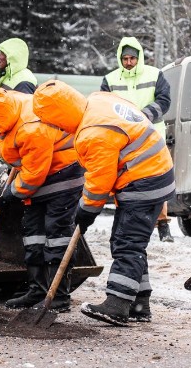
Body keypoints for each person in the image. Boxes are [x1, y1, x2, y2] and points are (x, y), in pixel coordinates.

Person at [32, 80, 175, 325]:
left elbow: (100, 181)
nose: (55, 127)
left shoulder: (93, 132)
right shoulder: (98, 101)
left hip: (143, 179)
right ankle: (139, 304)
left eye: (52, 121)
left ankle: (118, 304)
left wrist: (86, 210)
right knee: (130, 241)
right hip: (152, 173)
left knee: (127, 243)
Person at [0, 87, 84, 312]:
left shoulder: (32, 129)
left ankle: (58, 296)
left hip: (63, 173)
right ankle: (38, 290)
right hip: (40, 171)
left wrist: (12, 194)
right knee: (33, 234)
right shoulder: (11, 107)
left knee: (57, 235)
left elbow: (34, 175)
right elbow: (29, 166)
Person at [100, 37, 174, 242]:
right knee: (123, 179)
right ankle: (123, 215)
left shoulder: (155, 74)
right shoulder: (110, 79)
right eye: (125, 58)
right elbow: (103, 105)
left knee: (155, 179)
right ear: (120, 58)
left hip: (151, 137)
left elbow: (164, 101)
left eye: (132, 58)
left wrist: (144, 115)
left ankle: (163, 223)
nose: (129, 62)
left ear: (139, 57)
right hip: (123, 139)